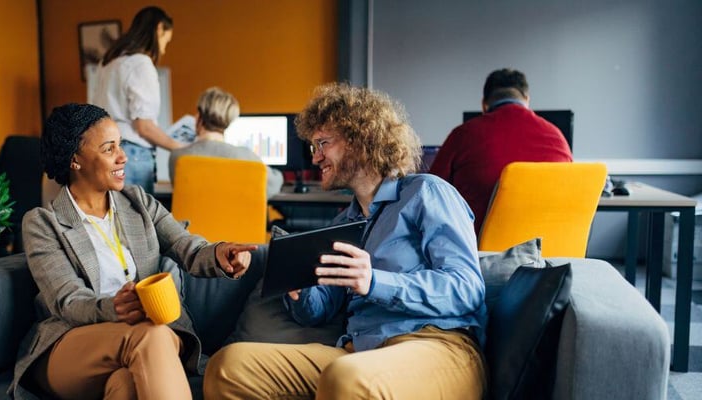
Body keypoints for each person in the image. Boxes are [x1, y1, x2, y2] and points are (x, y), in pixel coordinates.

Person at [204, 83, 487, 399]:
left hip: (437, 345)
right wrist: (298, 289)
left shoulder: (425, 193)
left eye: (323, 143)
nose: (316, 158)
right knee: (228, 367)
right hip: (359, 352)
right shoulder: (343, 224)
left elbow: (466, 290)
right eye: (313, 147)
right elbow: (320, 310)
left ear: (360, 139)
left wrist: (375, 281)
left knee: (345, 378)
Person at [8, 103, 257, 399]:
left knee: (126, 384)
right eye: (109, 148)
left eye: (120, 145)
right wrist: (114, 307)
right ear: (75, 159)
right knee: (148, 336)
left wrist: (219, 254)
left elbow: (186, 246)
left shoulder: (137, 202)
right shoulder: (43, 223)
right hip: (72, 346)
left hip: (152, 339)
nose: (123, 156)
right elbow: (68, 301)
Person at [429, 68, 572, 234]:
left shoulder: (463, 135)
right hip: (550, 253)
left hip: (481, 254)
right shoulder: (557, 137)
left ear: (484, 104)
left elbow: (430, 193)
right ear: (526, 99)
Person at [90, 6, 186, 195]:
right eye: (166, 40)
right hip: (132, 155)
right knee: (137, 221)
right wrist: (179, 147)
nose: (164, 48)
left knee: (115, 219)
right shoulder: (141, 63)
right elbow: (144, 126)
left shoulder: (108, 63)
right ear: (159, 29)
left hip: (106, 151)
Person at [169, 87, 284, 198]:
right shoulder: (246, 157)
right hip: (237, 218)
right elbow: (273, 184)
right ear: (229, 120)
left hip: (192, 218)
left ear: (199, 117)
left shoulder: (177, 157)